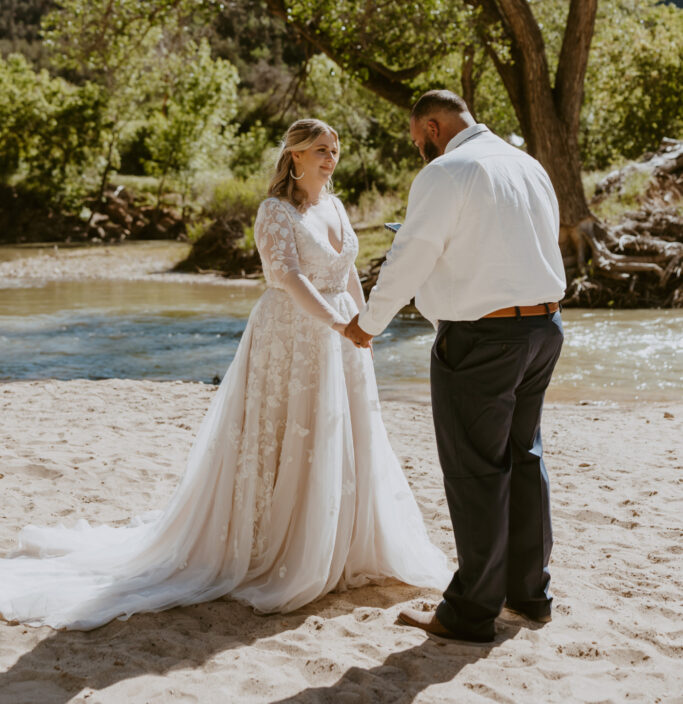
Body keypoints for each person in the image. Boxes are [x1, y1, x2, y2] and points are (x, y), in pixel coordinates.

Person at [0, 118, 450, 631]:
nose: (331, 158)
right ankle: (278, 546)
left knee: (345, 437)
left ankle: (341, 545)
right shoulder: (274, 211)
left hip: (343, 338)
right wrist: (338, 323)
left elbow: (347, 271)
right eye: (320, 150)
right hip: (294, 335)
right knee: (285, 436)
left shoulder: (338, 205)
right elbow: (288, 277)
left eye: (335, 149)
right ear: (295, 157)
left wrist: (365, 326)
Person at [345, 91, 566, 644]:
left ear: (435, 126)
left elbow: (411, 255)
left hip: (481, 339)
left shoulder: (448, 172)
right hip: (543, 329)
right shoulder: (527, 164)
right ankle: (530, 595)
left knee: (476, 472)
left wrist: (369, 323)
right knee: (523, 457)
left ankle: (470, 612)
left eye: (419, 141)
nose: (420, 151)